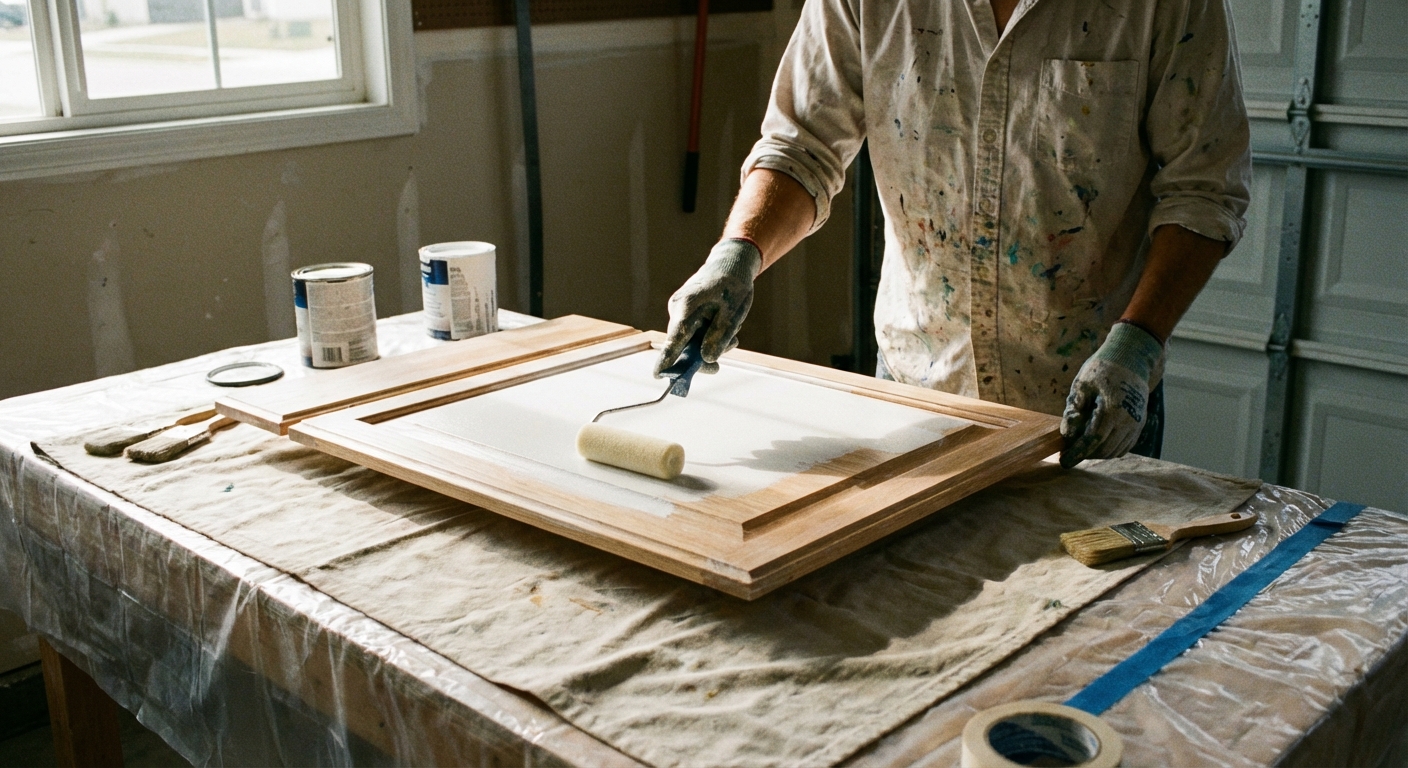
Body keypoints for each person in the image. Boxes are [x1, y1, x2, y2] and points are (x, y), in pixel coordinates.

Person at [654, 0, 1251, 467]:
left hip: (1089, 405)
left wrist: (1137, 344)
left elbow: (1204, 188)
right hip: (918, 389)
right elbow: (801, 146)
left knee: (1103, 616)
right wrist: (738, 254)